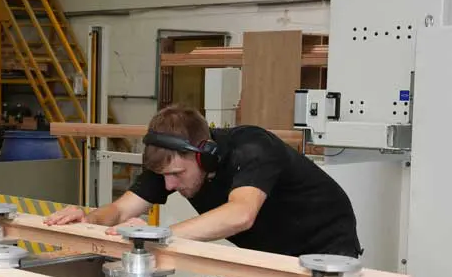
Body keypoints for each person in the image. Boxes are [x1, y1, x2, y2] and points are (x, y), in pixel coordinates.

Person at [44, 106, 362, 258]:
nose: (169, 186)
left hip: (325, 248)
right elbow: (120, 210)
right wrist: (88, 220)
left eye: (177, 175)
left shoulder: (253, 148)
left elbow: (241, 214)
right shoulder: (169, 165)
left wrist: (158, 236)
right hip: (271, 255)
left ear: (204, 156)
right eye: (164, 176)